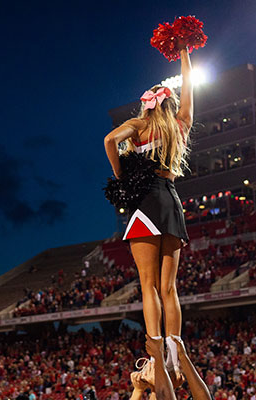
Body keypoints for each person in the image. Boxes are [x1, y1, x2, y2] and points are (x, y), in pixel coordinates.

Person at [103, 46, 193, 387]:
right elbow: (189, 86)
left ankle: (155, 353)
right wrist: (184, 52)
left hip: (144, 204)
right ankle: (175, 351)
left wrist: (121, 174)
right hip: (171, 202)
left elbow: (110, 140)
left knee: (148, 285)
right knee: (170, 288)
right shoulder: (181, 125)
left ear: (147, 103)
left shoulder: (139, 125)